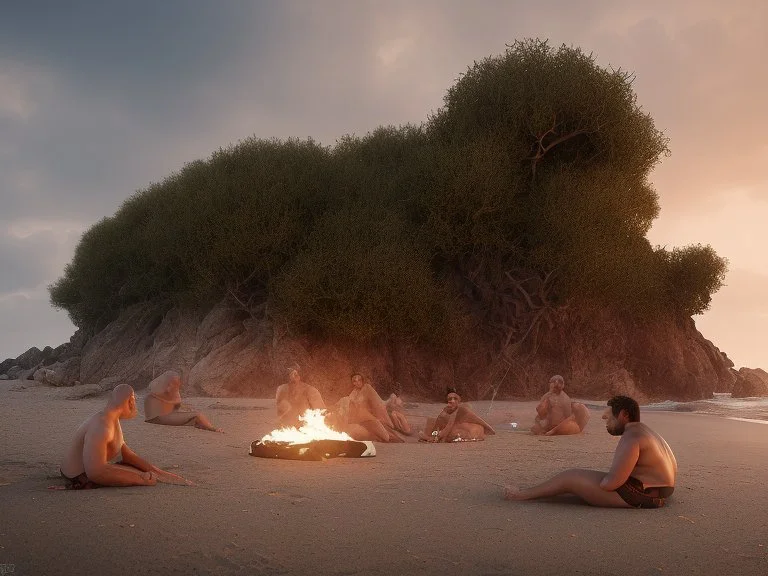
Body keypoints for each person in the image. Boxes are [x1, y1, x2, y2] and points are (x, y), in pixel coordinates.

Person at [503, 395, 677, 508]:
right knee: (577, 477)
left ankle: (522, 495)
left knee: (570, 477)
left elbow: (609, 484)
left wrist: (593, 484)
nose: (604, 420)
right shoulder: (647, 432)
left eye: (608, 416)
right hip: (660, 491)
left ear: (624, 415)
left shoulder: (631, 437)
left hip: (643, 495)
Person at [60, 384, 191, 489]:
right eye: (134, 402)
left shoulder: (111, 419)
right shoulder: (102, 427)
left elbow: (124, 452)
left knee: (143, 471)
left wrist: (157, 472)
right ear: (130, 401)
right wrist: (141, 479)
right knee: (139, 475)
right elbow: (95, 472)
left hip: (90, 469)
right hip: (78, 477)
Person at [332, 374, 403, 442]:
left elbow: (378, 403)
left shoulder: (367, 388)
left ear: (362, 380)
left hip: (370, 417)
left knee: (386, 437)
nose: (357, 382)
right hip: (360, 419)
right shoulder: (354, 391)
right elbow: (349, 402)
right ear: (352, 383)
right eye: (354, 381)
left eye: (359, 380)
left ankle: (392, 400)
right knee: (344, 401)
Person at [144, 371, 221, 432]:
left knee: (194, 417)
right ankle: (213, 429)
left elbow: (174, 404)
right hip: (159, 418)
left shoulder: (160, 391)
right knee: (198, 415)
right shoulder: (164, 391)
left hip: (153, 418)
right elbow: (175, 402)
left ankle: (203, 425)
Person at [419, 388, 495, 442]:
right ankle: (433, 436)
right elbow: (439, 421)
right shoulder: (447, 409)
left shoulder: (461, 410)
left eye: (455, 399)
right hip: (464, 428)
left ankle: (434, 437)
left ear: (458, 400)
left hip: (472, 432)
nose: (452, 401)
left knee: (452, 430)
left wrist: (435, 438)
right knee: (432, 421)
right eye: (450, 399)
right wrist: (433, 434)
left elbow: (449, 425)